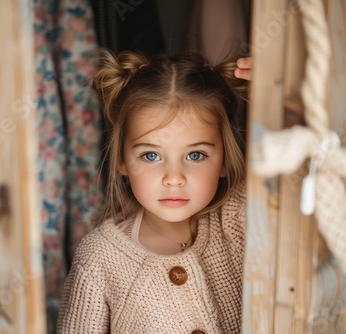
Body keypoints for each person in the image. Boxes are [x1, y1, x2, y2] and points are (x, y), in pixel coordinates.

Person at [57, 49, 251, 333]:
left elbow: (314, 182)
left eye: (195, 155)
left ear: (223, 159)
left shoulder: (239, 218)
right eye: (151, 156)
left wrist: (288, 95)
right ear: (122, 161)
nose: (174, 178)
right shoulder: (98, 259)